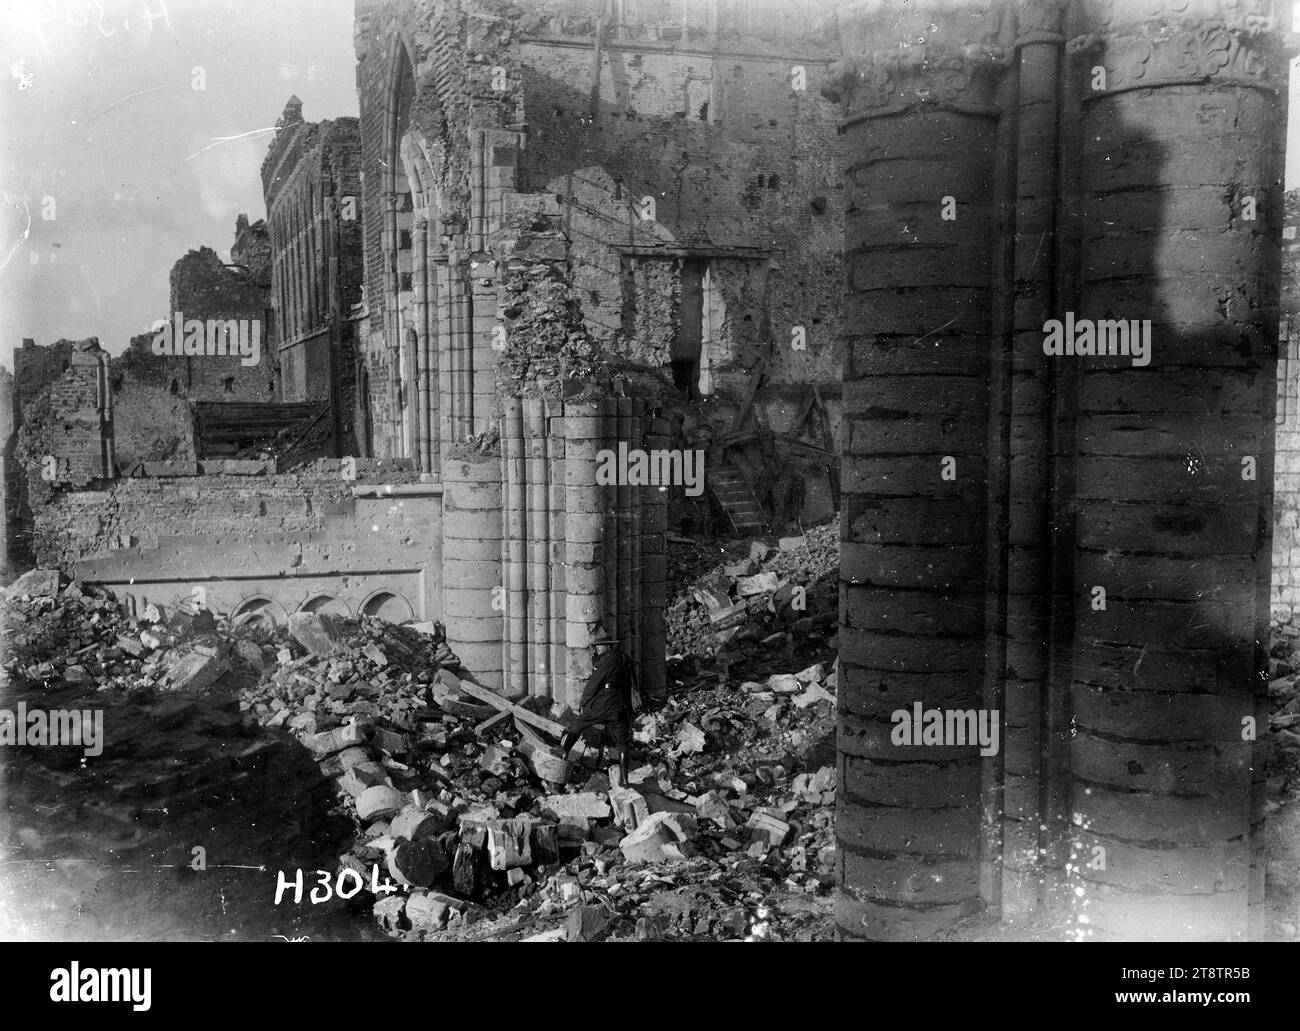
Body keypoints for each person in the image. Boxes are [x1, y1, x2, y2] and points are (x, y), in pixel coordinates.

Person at [559, 625, 635, 782]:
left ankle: (564, 752)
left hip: (603, 704)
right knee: (622, 741)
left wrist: (583, 702)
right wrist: (628, 709)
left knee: (578, 724)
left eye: (599, 646)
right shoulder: (625, 659)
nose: (597, 649)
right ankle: (624, 778)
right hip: (619, 706)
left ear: (608, 646)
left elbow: (594, 683)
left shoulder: (606, 661)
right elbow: (630, 685)